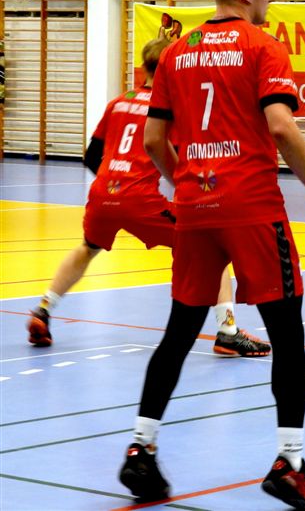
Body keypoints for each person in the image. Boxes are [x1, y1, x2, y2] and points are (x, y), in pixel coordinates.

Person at [119, 0, 305, 510]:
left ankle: (141, 447)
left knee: (178, 332)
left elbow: (154, 142)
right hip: (252, 206)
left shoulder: (176, 52)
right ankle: (290, 464)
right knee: (287, 334)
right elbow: (281, 126)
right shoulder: (264, 47)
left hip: (195, 206)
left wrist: (187, 183)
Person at [26, 29, 269, 358]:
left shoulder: (118, 102)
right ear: (170, 68)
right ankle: (228, 333)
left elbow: (91, 156)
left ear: (144, 67)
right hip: (139, 198)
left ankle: (43, 309)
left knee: (88, 247)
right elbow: (180, 159)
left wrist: (115, 187)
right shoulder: (168, 109)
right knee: (212, 248)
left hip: (102, 194)